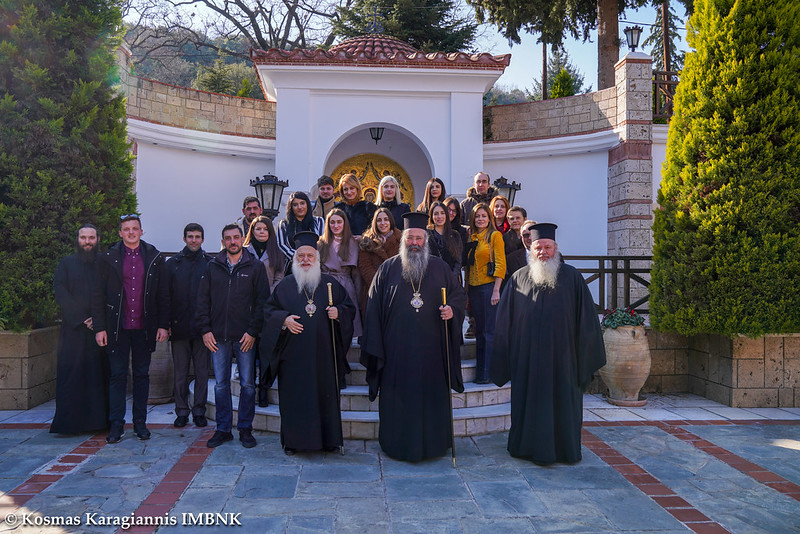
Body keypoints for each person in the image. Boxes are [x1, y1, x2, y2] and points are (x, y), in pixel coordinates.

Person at [491, 223, 606, 465]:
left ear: (556, 248)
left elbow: (587, 322)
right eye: (538, 247)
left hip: (564, 361)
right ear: (530, 249)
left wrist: (583, 358)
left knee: (562, 406)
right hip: (528, 362)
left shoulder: (572, 278)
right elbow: (504, 323)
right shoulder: (518, 279)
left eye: (547, 247)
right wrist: (505, 354)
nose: (543, 251)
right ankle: (525, 447)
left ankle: (564, 449)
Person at [360, 212, 466, 462]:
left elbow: (458, 296)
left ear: (425, 240)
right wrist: (378, 348)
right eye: (410, 238)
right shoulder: (387, 269)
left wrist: (452, 309)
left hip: (433, 353)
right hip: (396, 353)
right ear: (403, 240)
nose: (415, 243)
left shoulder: (440, 268)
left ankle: (435, 444)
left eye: (419, 238)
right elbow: (373, 308)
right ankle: (396, 444)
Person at [261, 232, 355, 455]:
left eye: (309, 256)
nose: (305, 259)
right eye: (300, 256)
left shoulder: (331, 285)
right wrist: (283, 320)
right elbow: (268, 312)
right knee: (295, 398)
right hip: (293, 358)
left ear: (317, 259)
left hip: (324, 355)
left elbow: (349, 310)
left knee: (326, 397)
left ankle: (330, 441)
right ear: (294, 259)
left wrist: (338, 313)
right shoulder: (284, 286)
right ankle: (294, 442)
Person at [93, 214, 167, 443]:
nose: (131, 233)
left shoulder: (154, 257)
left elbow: (162, 295)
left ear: (141, 231)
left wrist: (163, 324)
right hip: (118, 327)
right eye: (127, 229)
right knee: (117, 376)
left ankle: (140, 424)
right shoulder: (108, 258)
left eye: (135, 229)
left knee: (142, 375)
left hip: (144, 327)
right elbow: (98, 295)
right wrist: (100, 327)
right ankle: (117, 425)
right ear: (120, 233)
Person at [197, 224, 269, 449]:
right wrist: (205, 330)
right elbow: (202, 302)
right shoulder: (212, 267)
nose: (232, 241)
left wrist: (253, 332)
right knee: (220, 385)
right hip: (217, 337)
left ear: (242, 239)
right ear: (223, 241)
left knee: (248, 384)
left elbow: (263, 303)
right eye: (228, 238)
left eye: (236, 237)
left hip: (245, 337)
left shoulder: (255, 267)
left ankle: (245, 429)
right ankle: (223, 429)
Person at [51, 224, 109, 434]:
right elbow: (61, 292)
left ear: (98, 239)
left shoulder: (105, 264)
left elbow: (111, 292)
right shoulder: (66, 264)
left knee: (98, 376)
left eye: (91, 238)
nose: (87, 242)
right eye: (83, 237)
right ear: (77, 240)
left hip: (99, 331)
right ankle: (71, 424)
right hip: (73, 332)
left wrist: (100, 319)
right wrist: (83, 318)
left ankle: (99, 423)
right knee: (72, 376)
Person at [159, 223, 213, 429]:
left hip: (203, 329)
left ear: (202, 239)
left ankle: (199, 411)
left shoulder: (210, 263)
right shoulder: (172, 264)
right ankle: (181, 411)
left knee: (201, 373)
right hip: (179, 327)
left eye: (197, 237)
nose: (194, 240)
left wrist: (210, 326)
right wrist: (165, 324)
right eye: (190, 236)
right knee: (180, 373)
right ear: (184, 239)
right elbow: (165, 296)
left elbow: (213, 298)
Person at [465, 203, 505, 384]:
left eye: (483, 216)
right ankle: (480, 371)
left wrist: (496, 290)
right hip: (474, 288)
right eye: (477, 216)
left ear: (489, 218)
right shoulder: (472, 237)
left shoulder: (494, 236)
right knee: (479, 331)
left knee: (489, 332)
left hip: (489, 288)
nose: (480, 219)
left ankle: (487, 373)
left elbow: (500, 264)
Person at [318, 209, 362, 338]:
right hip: (325, 286)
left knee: (346, 329)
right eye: (332, 222)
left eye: (339, 222)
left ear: (344, 223)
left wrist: (359, 300)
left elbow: (357, 275)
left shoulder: (353, 242)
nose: (336, 226)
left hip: (346, 287)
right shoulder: (321, 244)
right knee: (327, 329)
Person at [357, 208, 401, 310]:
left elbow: (402, 265)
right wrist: (379, 284)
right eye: (379, 220)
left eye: (386, 219)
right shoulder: (367, 241)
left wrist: (392, 284)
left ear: (391, 221)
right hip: (373, 288)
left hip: (396, 288)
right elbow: (365, 267)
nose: (383, 223)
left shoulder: (401, 239)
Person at [277, 191, 324, 272]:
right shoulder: (283, 224)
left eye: (302, 203)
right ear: (291, 207)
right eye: (295, 205)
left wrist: (310, 257)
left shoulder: (319, 221)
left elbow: (322, 242)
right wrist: (298, 256)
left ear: (307, 205)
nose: (299, 207)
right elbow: (281, 244)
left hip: (315, 266)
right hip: (292, 267)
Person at [244, 215, 284, 292]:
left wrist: (270, 293)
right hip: (246, 296)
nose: (262, 232)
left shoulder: (278, 252)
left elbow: (279, 277)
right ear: (252, 231)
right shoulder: (244, 251)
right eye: (258, 229)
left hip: (269, 296)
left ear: (270, 231)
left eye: (266, 229)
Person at [426, 201, 462, 277]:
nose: (439, 217)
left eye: (442, 213)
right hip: (432, 280)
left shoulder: (455, 235)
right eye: (436, 214)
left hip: (451, 281)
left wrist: (451, 278)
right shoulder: (427, 235)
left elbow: (458, 261)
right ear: (431, 217)